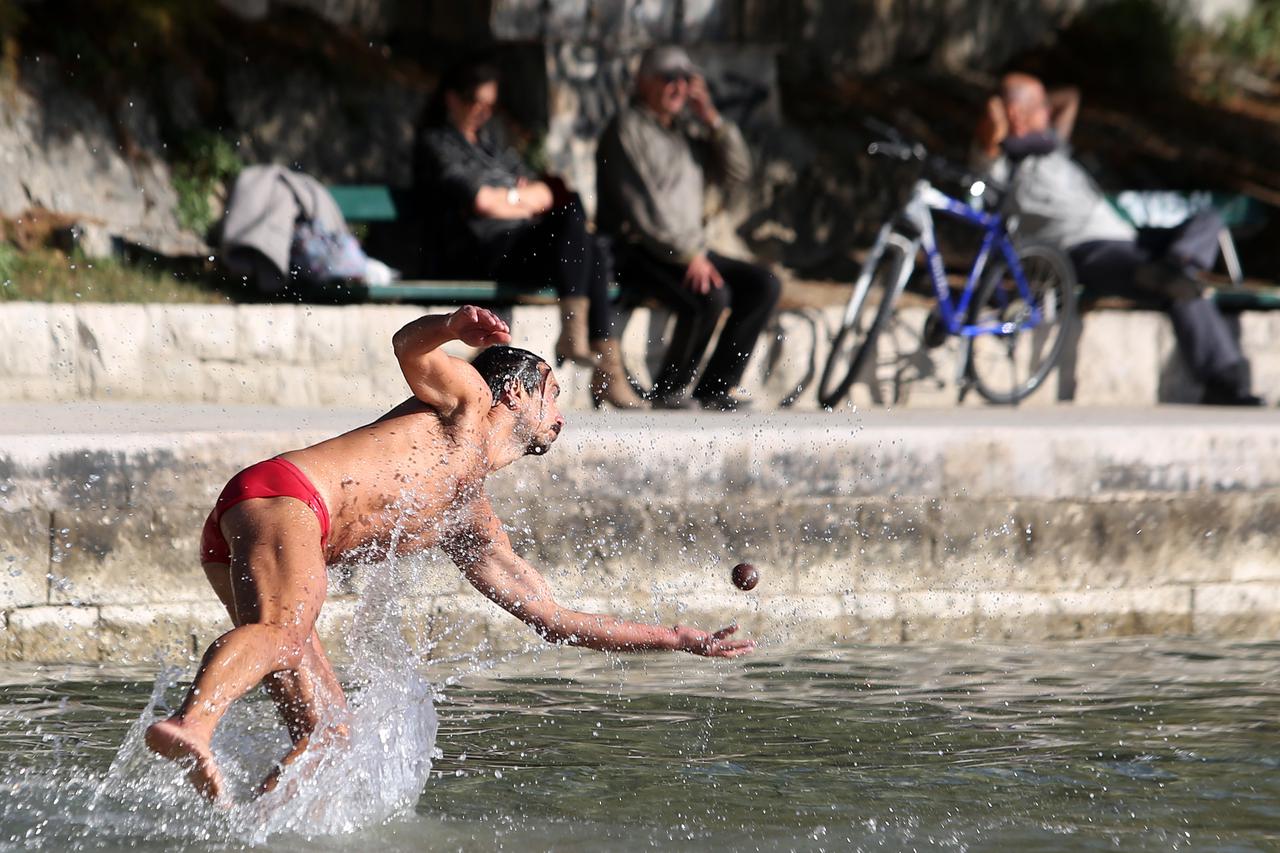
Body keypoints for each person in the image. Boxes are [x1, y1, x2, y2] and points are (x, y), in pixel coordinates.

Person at [144, 305, 754, 802]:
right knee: (283, 632)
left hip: (253, 532)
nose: (561, 417)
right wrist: (452, 326)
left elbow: (553, 618)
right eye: (553, 395)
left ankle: (253, 826)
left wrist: (676, 638)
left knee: (330, 733)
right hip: (285, 499)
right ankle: (192, 725)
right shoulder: (469, 401)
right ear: (515, 391)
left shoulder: (468, 517)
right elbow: (409, 348)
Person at [975, 72, 1263, 406]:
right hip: (1082, 250)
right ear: (1015, 112)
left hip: (1129, 241)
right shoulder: (1001, 157)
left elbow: (1070, 96)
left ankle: (1175, 264)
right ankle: (1226, 380)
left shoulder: (1049, 147)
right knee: (1183, 289)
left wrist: (1032, 105)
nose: (1048, 112)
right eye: (1040, 106)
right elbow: (986, 149)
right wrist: (1002, 112)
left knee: (1208, 221)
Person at [416, 59, 643, 409]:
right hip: (478, 252)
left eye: (491, 105)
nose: (484, 112)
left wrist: (507, 200)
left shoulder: (490, 147)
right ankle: (588, 350)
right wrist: (519, 199)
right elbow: (481, 201)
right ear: (453, 99)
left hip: (513, 246)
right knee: (575, 225)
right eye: (477, 102)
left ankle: (602, 361)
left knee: (586, 234)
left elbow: (547, 193)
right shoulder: (438, 145)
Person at [596, 46, 781, 411]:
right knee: (710, 294)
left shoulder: (684, 134)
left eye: (685, 79)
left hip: (686, 249)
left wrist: (712, 119)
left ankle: (715, 388)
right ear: (644, 82)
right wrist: (690, 254)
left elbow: (739, 172)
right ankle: (669, 390)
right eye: (669, 78)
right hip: (637, 249)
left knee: (763, 285)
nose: (678, 87)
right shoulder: (626, 129)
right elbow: (647, 206)